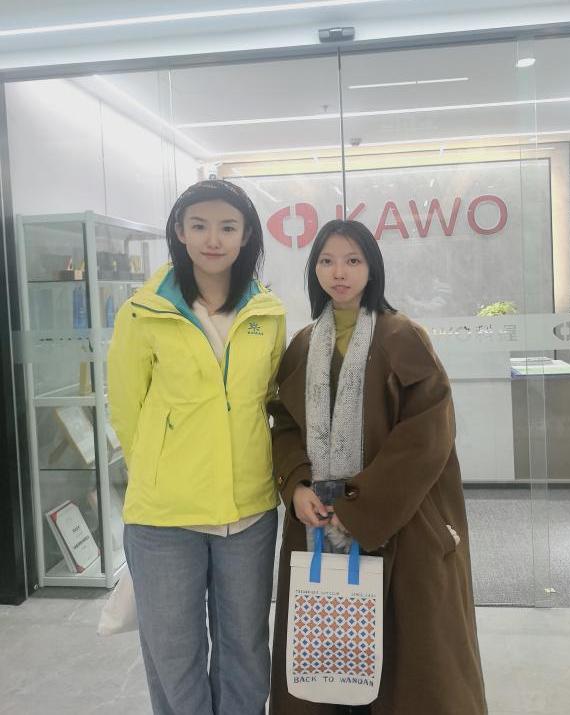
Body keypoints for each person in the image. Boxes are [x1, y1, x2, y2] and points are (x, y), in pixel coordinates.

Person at [269, 219, 487, 715]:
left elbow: (428, 435)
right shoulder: (302, 344)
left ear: (372, 268)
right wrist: (297, 485)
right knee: (322, 655)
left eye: (353, 260)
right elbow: (284, 423)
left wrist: (358, 506)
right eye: (327, 261)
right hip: (316, 522)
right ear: (314, 270)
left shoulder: (403, 337)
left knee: (410, 662)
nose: (339, 273)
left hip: (402, 524)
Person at [108, 179, 285, 715]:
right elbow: (127, 410)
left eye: (227, 227)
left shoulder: (267, 314)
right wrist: (159, 473)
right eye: (199, 226)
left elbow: (269, 403)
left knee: (245, 651)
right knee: (174, 653)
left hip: (248, 510)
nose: (213, 239)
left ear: (246, 235)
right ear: (180, 232)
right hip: (165, 516)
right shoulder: (142, 312)